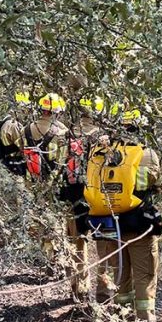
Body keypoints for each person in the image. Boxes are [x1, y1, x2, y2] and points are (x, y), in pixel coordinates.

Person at [85, 107, 162, 322]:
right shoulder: (145, 153)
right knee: (145, 277)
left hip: (108, 224)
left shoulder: (99, 151)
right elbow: (152, 185)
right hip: (139, 226)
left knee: (121, 276)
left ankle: (122, 321)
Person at [61, 96, 105, 301]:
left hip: (73, 194)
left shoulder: (68, 132)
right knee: (104, 242)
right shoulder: (103, 136)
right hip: (98, 196)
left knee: (77, 241)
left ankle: (78, 288)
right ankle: (104, 291)